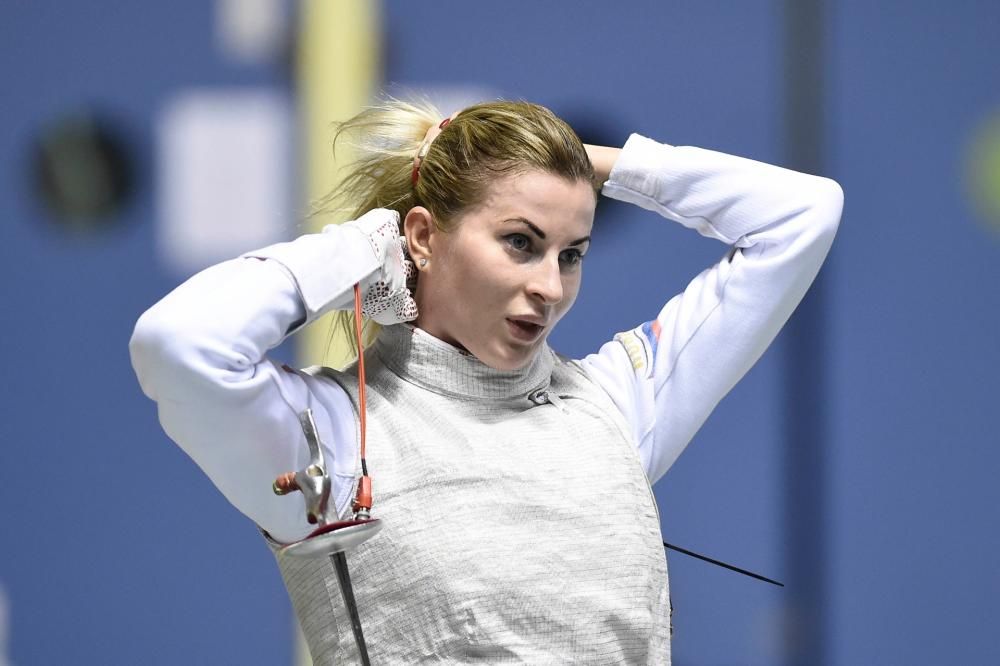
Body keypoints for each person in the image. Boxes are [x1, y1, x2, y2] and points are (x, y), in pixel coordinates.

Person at [129, 98, 843, 664]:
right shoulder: (334, 436)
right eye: (520, 242)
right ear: (422, 237)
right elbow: (180, 344)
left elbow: (802, 217)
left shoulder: (611, 406)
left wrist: (595, 167)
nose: (550, 287)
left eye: (572, 254)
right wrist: (359, 250)